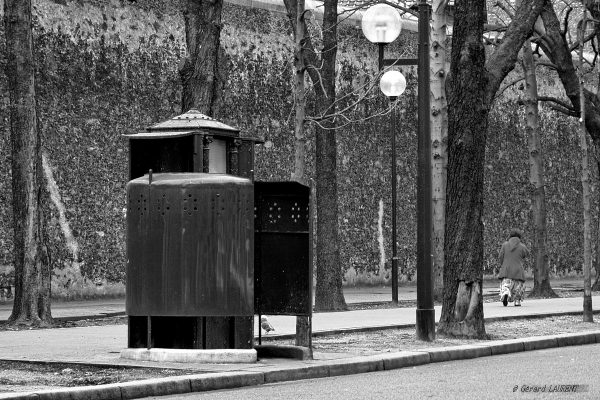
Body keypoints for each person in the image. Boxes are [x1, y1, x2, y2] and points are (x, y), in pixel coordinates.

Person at [498, 229, 529, 307]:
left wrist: (503, 265)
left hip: (506, 269)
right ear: (519, 237)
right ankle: (517, 301)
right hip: (518, 270)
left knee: (506, 284)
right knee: (518, 287)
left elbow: (500, 257)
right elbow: (526, 254)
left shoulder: (505, 245)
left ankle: (505, 293)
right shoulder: (522, 246)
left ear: (510, 236)